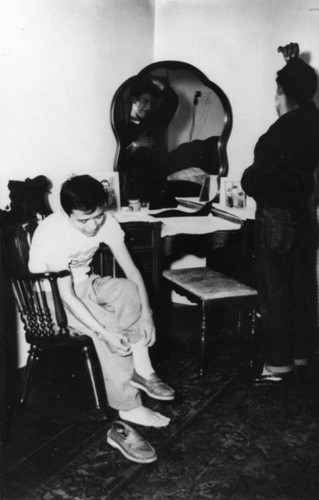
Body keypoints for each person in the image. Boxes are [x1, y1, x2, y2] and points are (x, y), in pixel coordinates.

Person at [29, 174, 175, 462]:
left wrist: (148, 315)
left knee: (126, 290)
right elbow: (67, 296)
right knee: (107, 325)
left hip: (84, 285)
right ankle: (128, 406)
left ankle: (143, 372)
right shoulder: (53, 232)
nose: (93, 225)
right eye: (83, 220)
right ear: (65, 213)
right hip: (50, 299)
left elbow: (132, 271)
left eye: (97, 216)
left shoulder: (105, 221)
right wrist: (104, 332)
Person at [241, 43, 319, 385]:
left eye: (277, 92)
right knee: (300, 288)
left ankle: (277, 366)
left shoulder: (284, 128)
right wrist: (292, 63)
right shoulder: (314, 120)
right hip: (302, 216)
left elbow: (260, 178)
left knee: (275, 293)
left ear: (282, 93)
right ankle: (300, 356)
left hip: (277, 219)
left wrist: (248, 179)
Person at [116, 76, 178, 209]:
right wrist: (136, 144)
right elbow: (119, 159)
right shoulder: (120, 128)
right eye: (144, 101)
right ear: (134, 100)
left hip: (156, 183)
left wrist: (154, 80)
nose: (148, 107)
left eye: (151, 103)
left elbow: (172, 101)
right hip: (132, 186)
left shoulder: (154, 124)